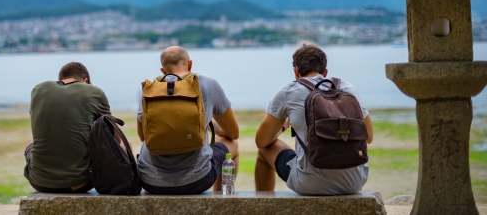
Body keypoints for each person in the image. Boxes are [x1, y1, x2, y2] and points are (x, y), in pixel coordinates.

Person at [254, 44, 374, 195]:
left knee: (264, 150)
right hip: (354, 182)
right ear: (325, 72)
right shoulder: (348, 88)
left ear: (295, 71)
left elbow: (261, 141)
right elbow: (369, 137)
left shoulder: (288, 91)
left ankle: (263, 209)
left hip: (310, 184)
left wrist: (284, 126)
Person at [136, 46, 240, 194]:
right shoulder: (208, 84)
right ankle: (221, 200)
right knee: (232, 145)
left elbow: (142, 136)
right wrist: (206, 123)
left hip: (149, 181)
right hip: (196, 181)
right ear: (190, 64)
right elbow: (233, 133)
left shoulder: (148, 89)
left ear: (163, 71)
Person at [23, 61, 111, 193]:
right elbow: (112, 137)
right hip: (80, 183)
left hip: (38, 182)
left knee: (31, 142)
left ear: (61, 80)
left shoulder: (39, 89)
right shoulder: (93, 92)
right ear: (85, 81)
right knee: (123, 144)